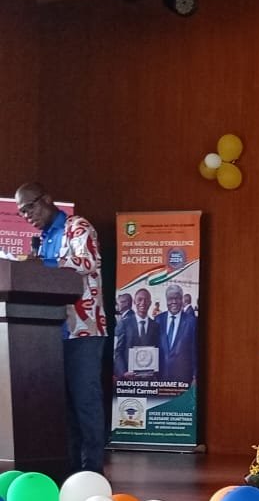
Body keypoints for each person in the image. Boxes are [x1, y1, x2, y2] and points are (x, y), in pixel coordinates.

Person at [14, 183, 108, 473]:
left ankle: (93, 473)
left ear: (47, 199)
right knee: (64, 410)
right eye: (21, 212)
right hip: (51, 334)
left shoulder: (77, 227)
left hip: (83, 331)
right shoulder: (41, 240)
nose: (27, 215)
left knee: (85, 404)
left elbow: (88, 261)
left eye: (29, 207)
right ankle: (68, 473)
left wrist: (44, 262)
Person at [158, 284, 198, 384]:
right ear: (166, 300)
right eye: (170, 298)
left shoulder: (192, 322)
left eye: (177, 298)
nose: (174, 302)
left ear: (182, 300)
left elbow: (195, 350)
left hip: (184, 379)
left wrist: (195, 376)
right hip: (161, 378)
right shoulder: (158, 320)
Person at [119, 286, 160, 376]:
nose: (143, 303)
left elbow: (158, 349)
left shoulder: (156, 326)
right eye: (139, 299)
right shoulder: (124, 323)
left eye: (146, 300)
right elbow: (119, 351)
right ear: (134, 302)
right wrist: (123, 372)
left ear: (150, 303)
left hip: (149, 377)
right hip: (128, 378)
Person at [113, 292, 134, 376]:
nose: (117, 306)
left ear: (126, 303)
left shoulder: (126, 320)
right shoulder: (129, 317)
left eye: (119, 303)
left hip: (124, 365)